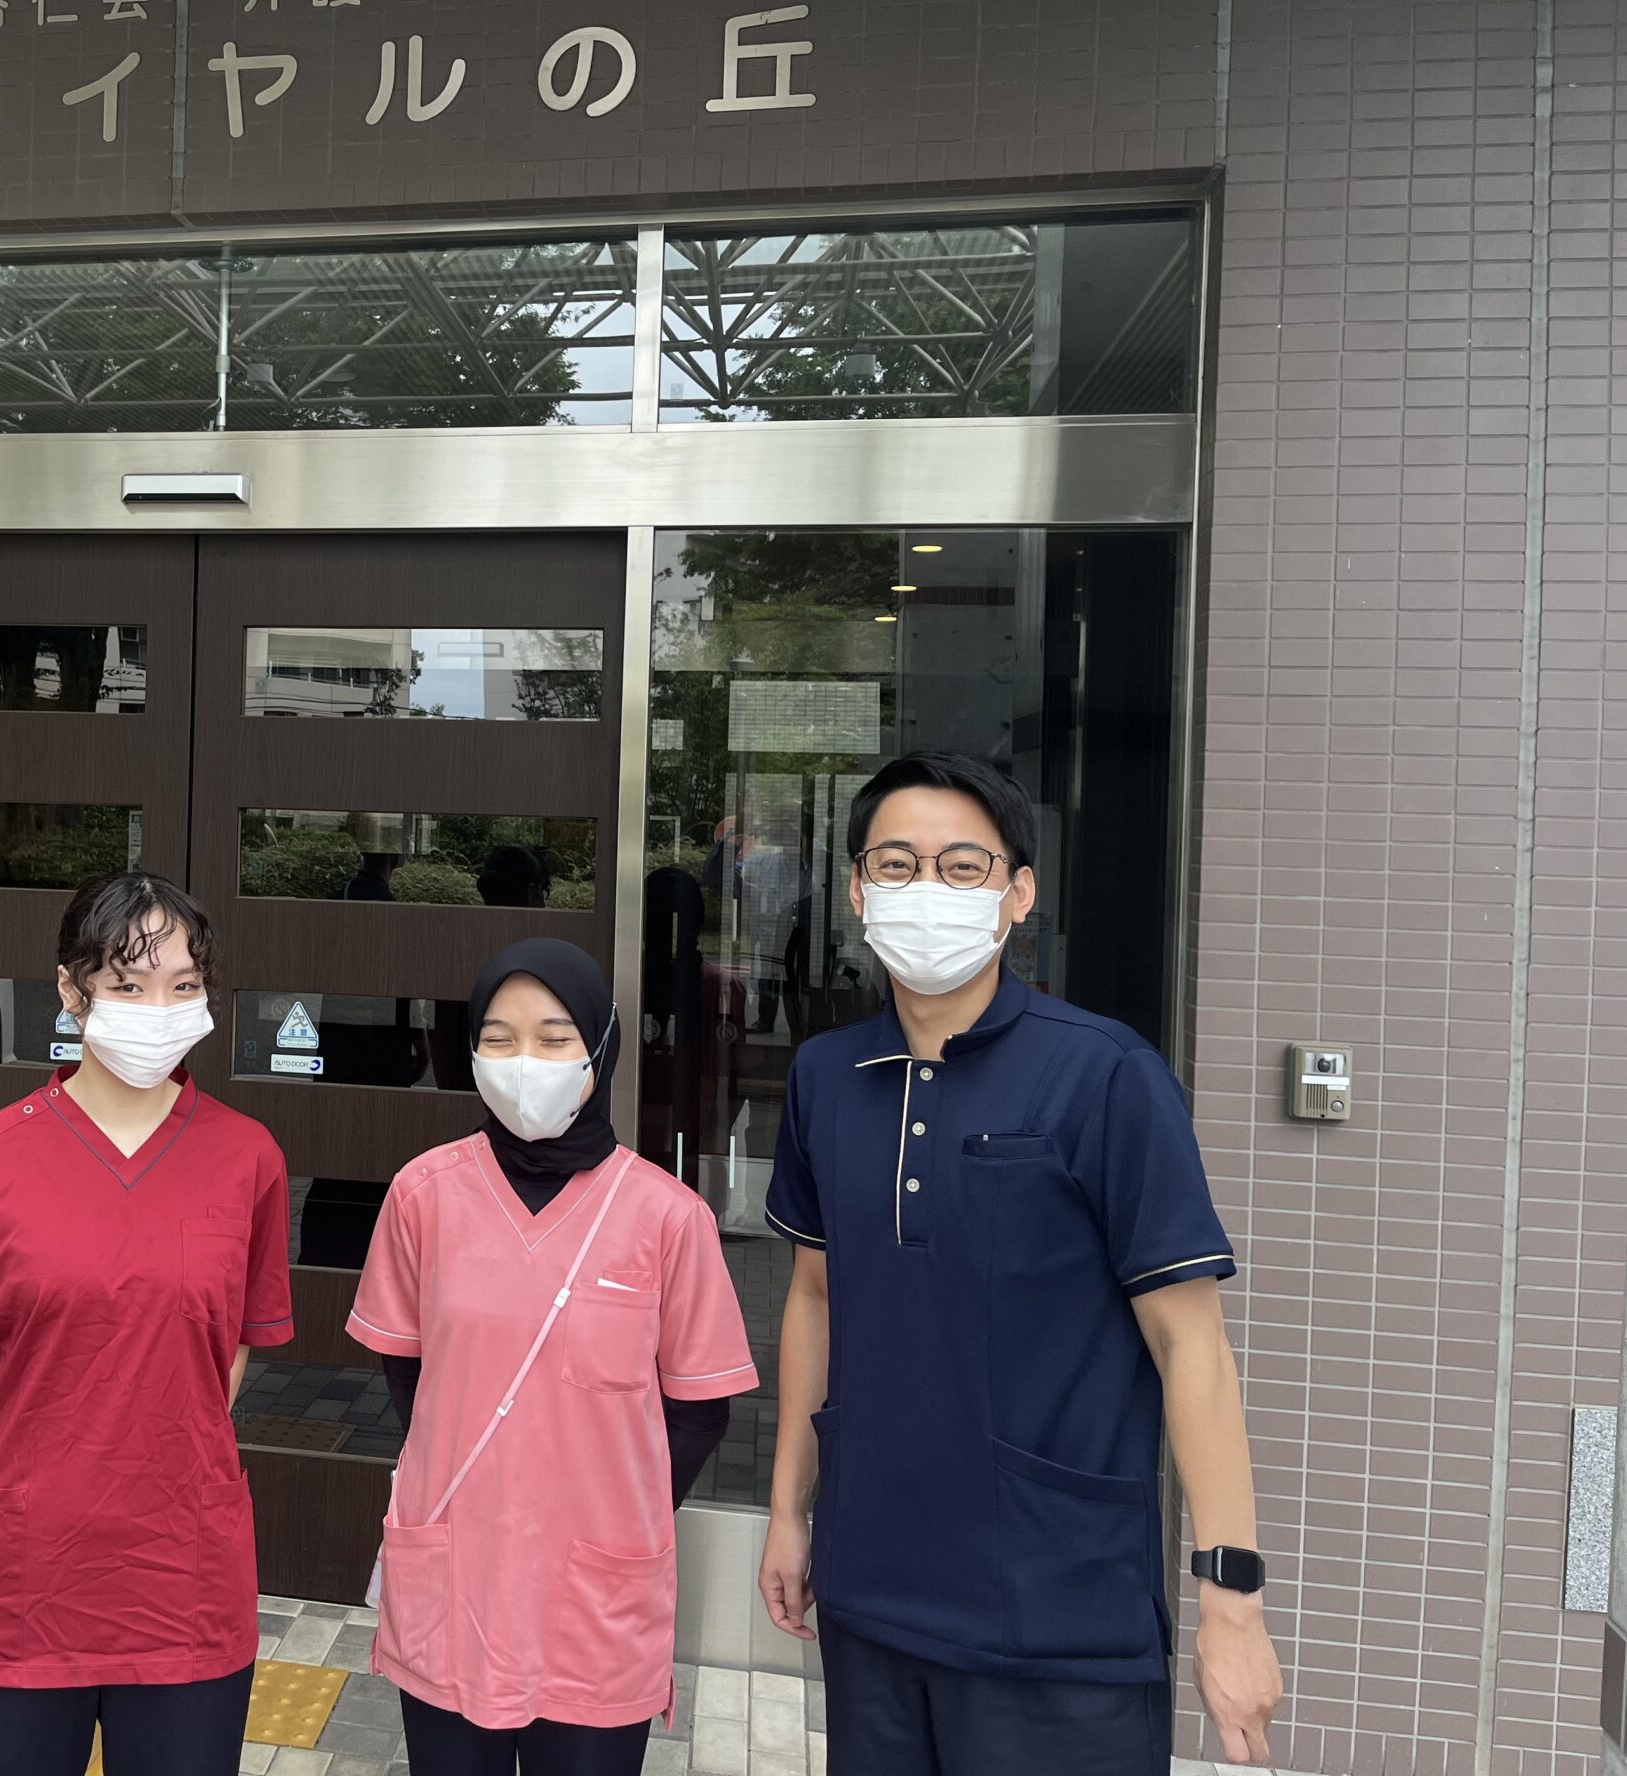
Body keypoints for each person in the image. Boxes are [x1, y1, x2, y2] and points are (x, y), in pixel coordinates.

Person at [757, 751, 1285, 1773]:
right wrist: (788, 1513)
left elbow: (1190, 1346)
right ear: (858, 890)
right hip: (872, 1596)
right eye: (896, 864)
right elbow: (814, 1299)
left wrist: (1231, 1603)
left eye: (963, 866)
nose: (926, 888)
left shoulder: (1106, 1075)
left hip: (1060, 1618)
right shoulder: (827, 1076)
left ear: (1018, 893)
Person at [0, 871, 293, 1776]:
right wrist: (47, 1469)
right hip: (20, 1578)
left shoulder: (248, 1158)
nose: (159, 1009)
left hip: (182, 1578)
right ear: (71, 991)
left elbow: (229, 1352)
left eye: (183, 985)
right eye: (127, 984)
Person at [348, 938, 759, 1775]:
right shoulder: (424, 1193)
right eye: (497, 1039)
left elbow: (700, 1411)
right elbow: (407, 1369)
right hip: (457, 1579)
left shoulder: (668, 1217)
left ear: (600, 1048)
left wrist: (615, 1513)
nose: (524, 1062)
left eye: (553, 1037)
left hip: (595, 1597)